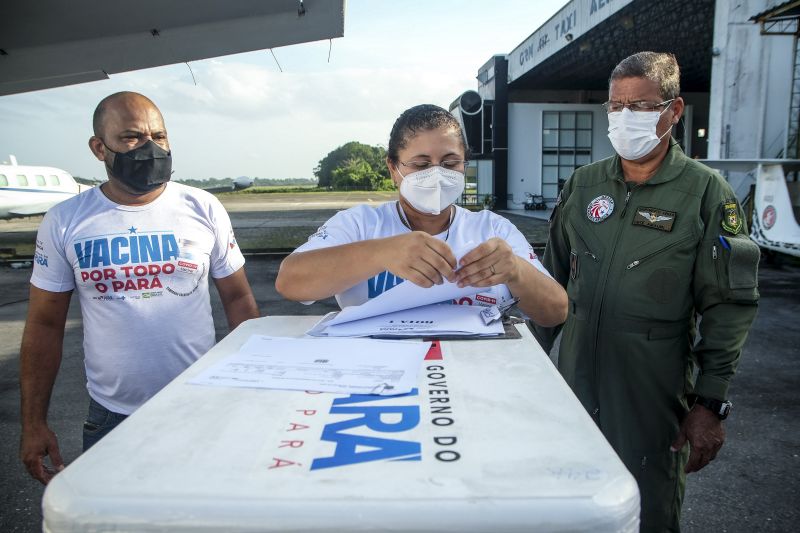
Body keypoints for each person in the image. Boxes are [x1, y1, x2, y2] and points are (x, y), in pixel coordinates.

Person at [532, 52, 760, 532]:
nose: (624, 117)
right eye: (616, 106)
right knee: (569, 506)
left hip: (650, 393)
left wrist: (710, 402)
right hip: (574, 384)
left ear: (673, 111)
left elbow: (729, 306)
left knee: (645, 509)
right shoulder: (584, 184)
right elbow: (547, 283)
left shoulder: (705, 193)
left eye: (639, 106)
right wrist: (523, 371)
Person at [19, 91, 260, 484]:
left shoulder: (202, 207)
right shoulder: (65, 220)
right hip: (112, 418)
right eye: (131, 137)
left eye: (159, 136)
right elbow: (45, 324)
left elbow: (239, 298)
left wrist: (253, 384)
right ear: (99, 148)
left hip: (199, 404)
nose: (150, 148)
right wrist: (33, 423)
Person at [276, 104, 567, 327]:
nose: (436, 174)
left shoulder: (491, 229)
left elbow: (556, 311)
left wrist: (515, 270)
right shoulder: (360, 224)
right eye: (421, 164)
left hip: (474, 368)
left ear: (464, 165)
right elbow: (290, 281)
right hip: (377, 365)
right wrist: (381, 253)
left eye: (450, 163)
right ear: (393, 169)